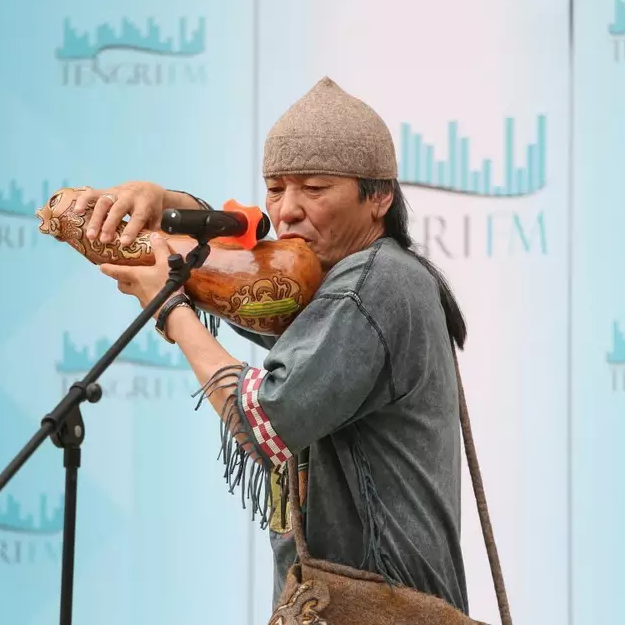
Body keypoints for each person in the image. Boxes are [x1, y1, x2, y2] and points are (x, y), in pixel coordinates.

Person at [82, 77, 471, 614]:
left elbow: (266, 419)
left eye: (314, 188)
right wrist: (168, 203)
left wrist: (170, 309)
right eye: (275, 188)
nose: (286, 211)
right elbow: (246, 288)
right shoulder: (344, 282)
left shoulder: (371, 284)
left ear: (380, 197)